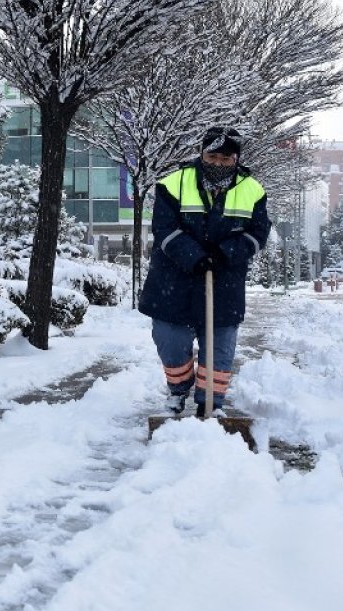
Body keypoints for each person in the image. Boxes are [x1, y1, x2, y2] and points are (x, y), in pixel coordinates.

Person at [138, 127, 272, 417]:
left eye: (225, 159)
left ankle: (209, 404)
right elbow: (164, 228)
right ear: (202, 153)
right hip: (173, 280)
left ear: (235, 159)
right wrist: (194, 256)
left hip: (224, 282)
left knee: (219, 348)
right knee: (170, 341)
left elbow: (258, 233)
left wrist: (226, 253)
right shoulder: (173, 184)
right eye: (212, 156)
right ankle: (178, 389)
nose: (218, 164)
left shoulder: (253, 190)